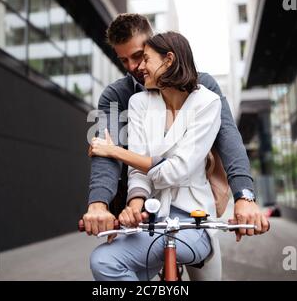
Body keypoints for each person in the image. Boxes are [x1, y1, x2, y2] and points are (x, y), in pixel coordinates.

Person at [88, 31, 224, 280]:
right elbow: (138, 170)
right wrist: (133, 206)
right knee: (103, 261)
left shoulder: (208, 102)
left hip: (193, 219)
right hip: (151, 217)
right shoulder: (140, 103)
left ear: (168, 60)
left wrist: (115, 151)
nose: (139, 68)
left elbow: (176, 170)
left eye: (146, 59)